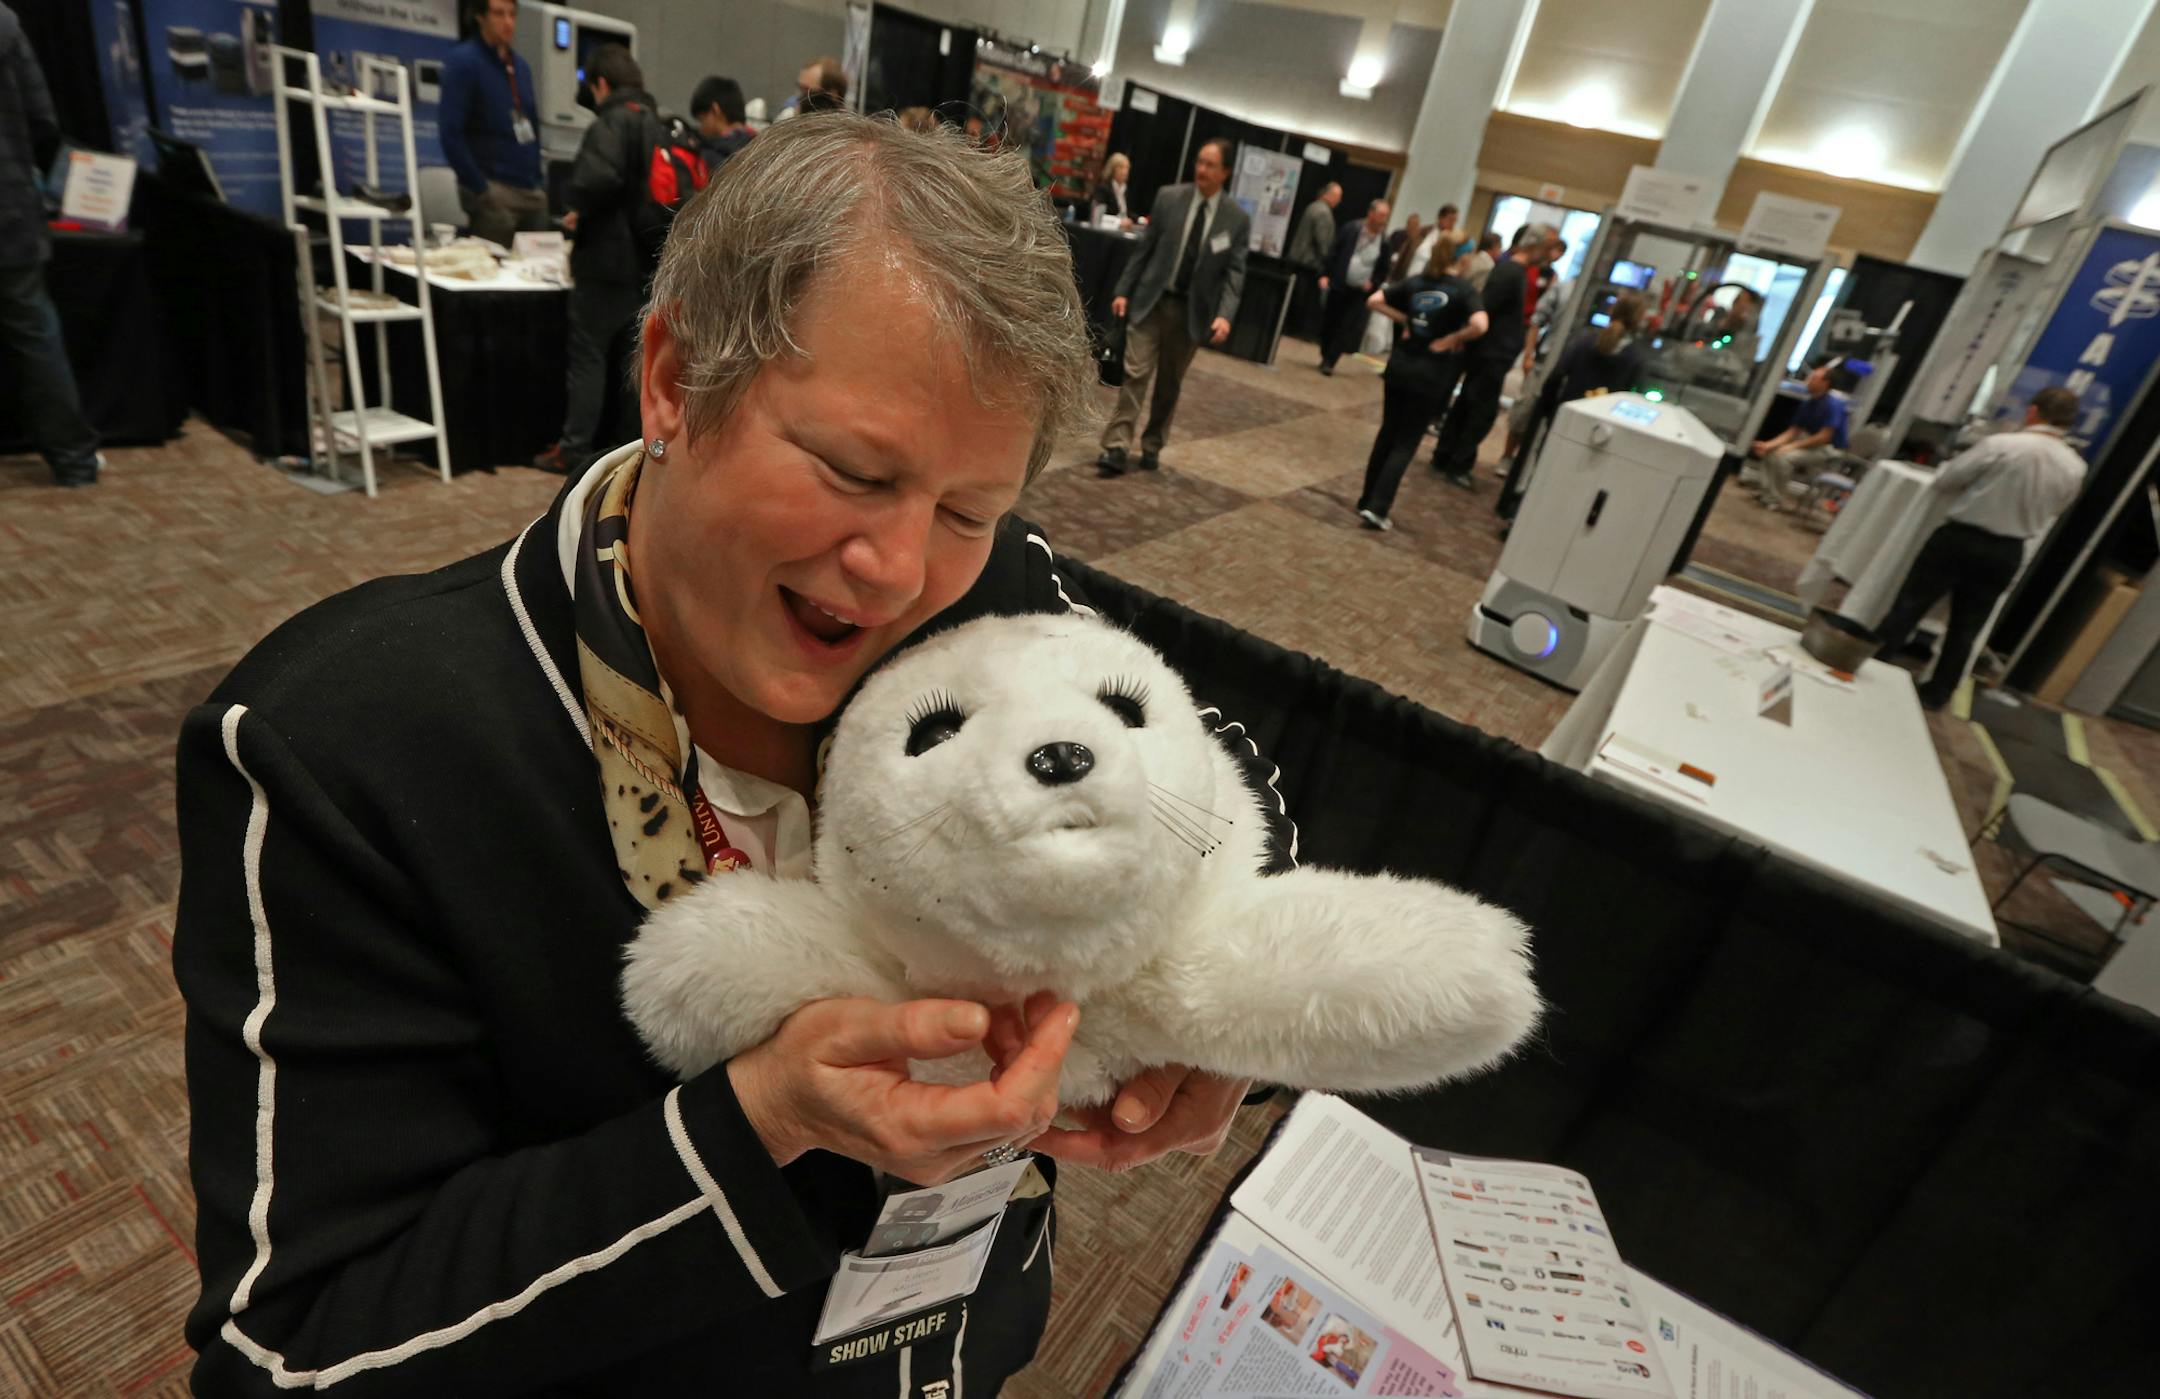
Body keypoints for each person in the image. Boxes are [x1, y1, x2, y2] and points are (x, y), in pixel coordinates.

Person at [175, 112, 1269, 1397]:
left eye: (969, 507)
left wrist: (1221, 995)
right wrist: (762, 1126)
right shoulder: (344, 748)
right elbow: (292, 1346)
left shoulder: (997, 593)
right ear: (673, 384)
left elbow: (1213, 777)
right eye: (855, 473)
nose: (903, 573)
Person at [1873, 387, 2086, 710]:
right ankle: (1937, 693)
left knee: (1910, 605)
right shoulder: (2074, 466)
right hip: (2007, 551)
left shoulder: (2003, 445)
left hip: (1960, 538)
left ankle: (1875, 665)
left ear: (2033, 411)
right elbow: (2057, 509)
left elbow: (1949, 479)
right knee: (1966, 628)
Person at [535, 43, 660, 476]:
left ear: (601, 84)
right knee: (633, 363)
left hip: (604, 261)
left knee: (588, 357)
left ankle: (573, 449)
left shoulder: (609, 122)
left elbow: (596, 177)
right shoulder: (657, 123)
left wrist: (579, 207)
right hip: (646, 261)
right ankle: (628, 451)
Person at [1096, 138, 1251, 475]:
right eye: (1199, 162)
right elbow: (1144, 250)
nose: (1202, 170)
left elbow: (1235, 273)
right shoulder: (1169, 198)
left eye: (1210, 165)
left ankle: (1152, 444)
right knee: (1135, 374)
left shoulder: (1236, 219)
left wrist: (1225, 315)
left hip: (1191, 314)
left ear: (1225, 172)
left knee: (1169, 383)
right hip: (1151, 302)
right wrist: (1124, 289)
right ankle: (1117, 446)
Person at [0, 2, 100, 487]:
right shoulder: (5, 24)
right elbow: (43, 121)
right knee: (34, 331)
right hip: (7, 207)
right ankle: (74, 462)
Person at [1355, 243, 1486, 530]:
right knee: (1406, 441)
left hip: (1400, 366)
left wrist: (1406, 320)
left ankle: (1365, 499)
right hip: (1430, 373)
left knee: (1387, 433)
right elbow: (1480, 324)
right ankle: (1378, 507)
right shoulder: (1464, 291)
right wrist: (1451, 339)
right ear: (1463, 257)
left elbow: (1374, 300)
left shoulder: (1416, 282)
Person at [1496, 291, 1649, 521]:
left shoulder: (1585, 340)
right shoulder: (1636, 357)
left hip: (1566, 420)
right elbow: (1635, 398)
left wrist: (1550, 410)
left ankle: (1522, 519)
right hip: (1604, 431)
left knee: (1546, 473)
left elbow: (1557, 375)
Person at [1428, 222, 1558, 487]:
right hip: (1489, 353)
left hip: (1493, 352)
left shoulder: (1517, 271)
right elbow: (1486, 308)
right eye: (1546, 246)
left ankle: (1446, 456)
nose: (1548, 253)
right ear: (1533, 245)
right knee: (1480, 410)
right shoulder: (1510, 272)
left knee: (1469, 405)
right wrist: (1468, 339)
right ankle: (1457, 462)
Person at [438, 0, 548, 248]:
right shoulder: (463, 62)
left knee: (537, 273)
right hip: (493, 189)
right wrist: (480, 187)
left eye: (512, 14)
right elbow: (450, 133)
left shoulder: (520, 67)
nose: (508, 22)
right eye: (499, 14)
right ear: (480, 17)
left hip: (531, 189)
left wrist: (539, 179)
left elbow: (532, 125)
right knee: (494, 275)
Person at [1750, 358, 1851, 510]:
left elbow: (1824, 437)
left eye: (1814, 378)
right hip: (1810, 444)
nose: (1808, 381)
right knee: (1770, 452)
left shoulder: (1833, 405)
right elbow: (1793, 431)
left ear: (1825, 384)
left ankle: (1776, 499)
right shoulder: (1809, 403)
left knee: (1784, 458)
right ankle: (1766, 493)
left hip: (1829, 451)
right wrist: (1768, 445)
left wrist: (1791, 447)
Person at [1318, 198, 1392, 375]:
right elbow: (1334, 252)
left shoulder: (1384, 242)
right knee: (1330, 321)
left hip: (1359, 292)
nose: (1383, 220)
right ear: (1371, 213)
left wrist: (1373, 283)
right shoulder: (1351, 229)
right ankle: (1325, 352)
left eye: (1386, 216)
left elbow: (1383, 269)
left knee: (1345, 326)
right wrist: (1325, 274)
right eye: (1381, 215)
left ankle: (1330, 360)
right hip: (1338, 285)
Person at [690, 75, 754, 173]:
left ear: (715, 110)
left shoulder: (709, 157)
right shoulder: (760, 146)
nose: (701, 128)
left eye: (702, 119)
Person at [1387, 203, 1458, 289]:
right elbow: (1404, 255)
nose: (1452, 224)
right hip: (1406, 280)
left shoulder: (1450, 244)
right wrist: (1392, 280)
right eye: (1450, 220)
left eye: (1454, 221)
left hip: (1428, 287)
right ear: (1440, 218)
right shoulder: (1422, 232)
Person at [1287, 181, 1341, 274]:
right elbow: (1324, 244)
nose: (1339, 201)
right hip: (1308, 264)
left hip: (1297, 258)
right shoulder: (1324, 213)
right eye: (1338, 197)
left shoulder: (1313, 206)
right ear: (1329, 195)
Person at [782, 54, 848, 118]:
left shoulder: (849, 128)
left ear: (832, 95)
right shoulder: (788, 115)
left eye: (806, 91)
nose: (800, 97)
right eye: (800, 88)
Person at [1091, 151, 1133, 223]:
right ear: (1112, 169)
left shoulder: (1125, 190)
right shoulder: (1103, 188)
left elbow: (1126, 213)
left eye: (1127, 168)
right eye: (1121, 167)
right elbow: (1098, 215)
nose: (1125, 172)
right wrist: (1119, 222)